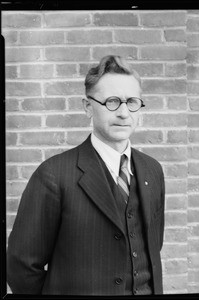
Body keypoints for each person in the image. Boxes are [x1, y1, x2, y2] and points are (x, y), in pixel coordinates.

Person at [7, 55, 165, 296]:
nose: (124, 113)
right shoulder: (53, 175)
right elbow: (21, 267)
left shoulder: (153, 171)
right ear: (87, 106)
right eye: (112, 101)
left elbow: (152, 249)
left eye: (132, 101)